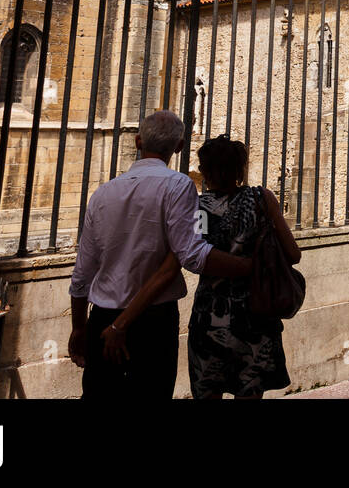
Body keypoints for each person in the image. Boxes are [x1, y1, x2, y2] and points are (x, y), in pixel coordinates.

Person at [67, 110, 252, 399]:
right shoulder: (178, 185)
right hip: (155, 323)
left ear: (138, 141)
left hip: (102, 319)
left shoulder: (103, 193)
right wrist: (249, 267)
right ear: (179, 147)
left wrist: (79, 328)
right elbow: (191, 254)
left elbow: (81, 275)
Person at [115, 133, 301, 399]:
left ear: (204, 171)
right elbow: (293, 255)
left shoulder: (198, 209)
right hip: (255, 317)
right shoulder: (262, 200)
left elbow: (190, 255)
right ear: (240, 168)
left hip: (209, 318)